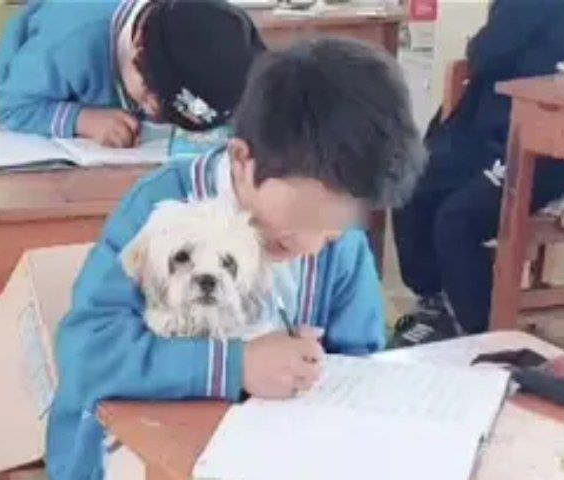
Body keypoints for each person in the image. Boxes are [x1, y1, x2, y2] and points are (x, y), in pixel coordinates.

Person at [46, 37, 425, 479]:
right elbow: (87, 353)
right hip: (135, 452)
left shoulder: (340, 244)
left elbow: (360, 362)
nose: (315, 241)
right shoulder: (161, 209)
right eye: (303, 215)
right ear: (242, 159)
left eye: (337, 223)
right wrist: (236, 366)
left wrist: (314, 368)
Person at [391, 0, 564, 345]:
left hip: (546, 146)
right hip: (490, 138)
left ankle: (478, 333)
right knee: (410, 182)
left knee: (458, 217)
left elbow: (487, 51)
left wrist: (479, 46)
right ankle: (434, 300)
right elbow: (486, 56)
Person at [0, 0, 265, 147]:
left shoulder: (211, 26)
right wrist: (83, 120)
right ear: (137, 46)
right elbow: (14, 107)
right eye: (151, 98)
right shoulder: (72, 43)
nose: (153, 113)